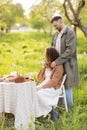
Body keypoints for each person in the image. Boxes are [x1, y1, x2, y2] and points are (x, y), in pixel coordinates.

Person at [51, 16, 79, 106]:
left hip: (67, 64)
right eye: (53, 26)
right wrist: (48, 60)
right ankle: (60, 105)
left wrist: (57, 61)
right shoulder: (55, 35)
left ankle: (69, 107)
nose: (55, 27)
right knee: (57, 84)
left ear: (60, 21)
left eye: (56, 25)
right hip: (57, 64)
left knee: (67, 85)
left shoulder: (70, 33)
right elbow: (52, 49)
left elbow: (70, 51)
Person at [35, 47, 64, 121]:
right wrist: (44, 67)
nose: (45, 57)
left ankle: (52, 112)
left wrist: (41, 87)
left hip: (53, 88)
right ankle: (39, 113)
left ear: (50, 56)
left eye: (46, 55)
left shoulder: (59, 67)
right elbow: (39, 78)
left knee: (38, 94)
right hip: (44, 85)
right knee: (32, 92)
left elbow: (54, 82)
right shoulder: (47, 65)